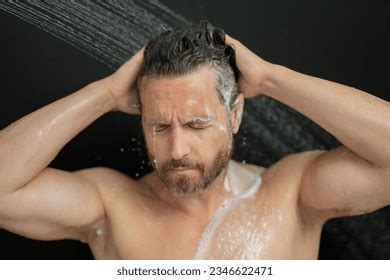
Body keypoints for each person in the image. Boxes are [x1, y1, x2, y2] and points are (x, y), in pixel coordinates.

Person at [0, 21, 389, 259]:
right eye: (160, 127)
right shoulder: (110, 208)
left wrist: (272, 78)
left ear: (234, 115)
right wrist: (104, 95)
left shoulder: (293, 195)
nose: (177, 150)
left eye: (197, 125)